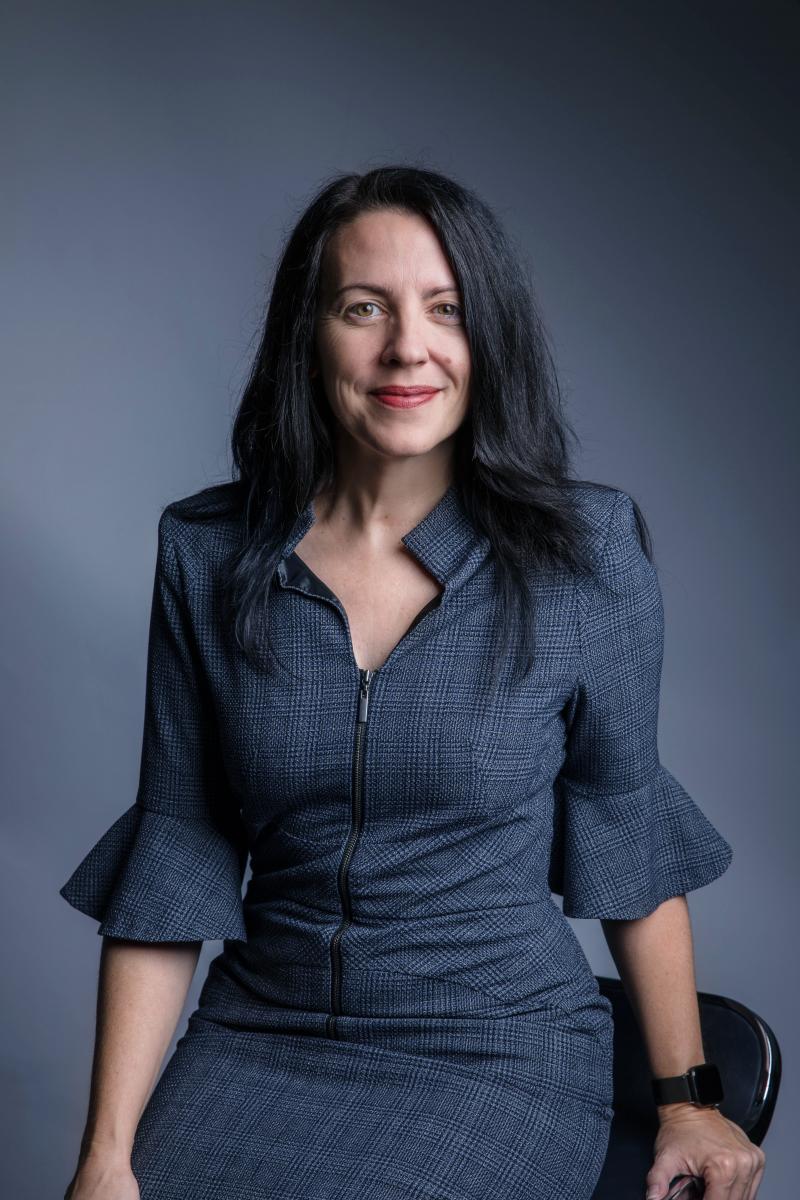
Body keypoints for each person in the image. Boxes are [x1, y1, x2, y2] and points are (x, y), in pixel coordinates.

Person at [60, 165, 765, 1200]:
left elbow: (624, 828)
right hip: (256, 1039)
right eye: (362, 308)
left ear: (489, 341)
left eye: (446, 310)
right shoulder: (206, 554)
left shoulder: (585, 556)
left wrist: (685, 1098)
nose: (406, 348)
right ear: (310, 334)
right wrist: (105, 1159)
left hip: (496, 1058)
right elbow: (176, 850)